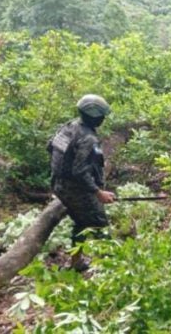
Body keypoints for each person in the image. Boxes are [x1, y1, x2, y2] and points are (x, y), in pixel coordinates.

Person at [48, 94, 116, 271]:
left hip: (59, 184)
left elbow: (51, 147)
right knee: (99, 224)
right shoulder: (88, 138)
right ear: (96, 117)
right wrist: (98, 192)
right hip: (76, 190)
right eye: (102, 116)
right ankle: (114, 266)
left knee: (80, 222)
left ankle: (76, 262)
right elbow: (79, 171)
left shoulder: (70, 126)